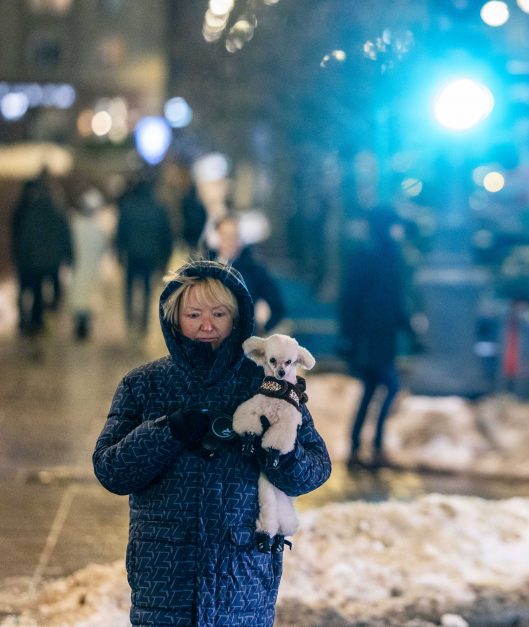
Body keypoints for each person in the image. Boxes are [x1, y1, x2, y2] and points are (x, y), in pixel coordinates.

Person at [92, 259, 331, 626]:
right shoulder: (143, 384)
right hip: (164, 581)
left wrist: (279, 454)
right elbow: (112, 471)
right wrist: (167, 432)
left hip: (243, 580)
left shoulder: (265, 383)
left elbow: (316, 469)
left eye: (219, 314)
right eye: (194, 314)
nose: (207, 325)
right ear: (174, 319)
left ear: (237, 320)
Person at [338, 206, 415, 470]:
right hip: (369, 337)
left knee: (372, 390)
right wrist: (349, 335)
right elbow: (350, 298)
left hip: (383, 336)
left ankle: (359, 447)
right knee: (388, 387)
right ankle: (372, 446)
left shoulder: (390, 255)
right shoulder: (367, 255)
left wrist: (409, 329)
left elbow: (395, 300)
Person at [10, 167, 72, 337]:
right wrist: (68, 255)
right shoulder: (57, 211)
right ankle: (46, 316)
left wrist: (21, 257)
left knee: (33, 292)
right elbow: (64, 234)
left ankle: (33, 323)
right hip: (52, 261)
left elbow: (25, 239)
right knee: (53, 289)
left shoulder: (31, 211)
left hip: (34, 261)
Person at [115, 170, 174, 337]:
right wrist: (165, 259)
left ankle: (130, 320)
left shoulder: (128, 206)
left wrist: (119, 252)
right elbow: (166, 235)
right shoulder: (159, 208)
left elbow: (121, 231)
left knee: (129, 289)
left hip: (132, 255)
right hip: (151, 257)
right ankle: (143, 325)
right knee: (147, 290)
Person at [210, 213, 286, 334]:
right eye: (225, 236)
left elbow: (277, 307)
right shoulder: (205, 268)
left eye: (234, 236)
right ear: (217, 238)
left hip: (243, 338)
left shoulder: (255, 270)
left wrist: (262, 325)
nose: (229, 241)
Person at [68, 186, 113, 341]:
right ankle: (84, 325)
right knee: (87, 296)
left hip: (79, 267)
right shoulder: (96, 229)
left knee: (79, 295)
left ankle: (80, 325)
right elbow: (103, 248)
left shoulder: (75, 226)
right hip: (90, 268)